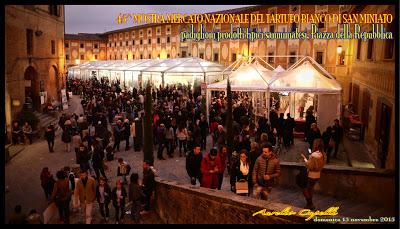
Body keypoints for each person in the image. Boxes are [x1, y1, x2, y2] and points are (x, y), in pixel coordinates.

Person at [301, 139, 325, 210]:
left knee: (304, 188)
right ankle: (310, 204)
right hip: (318, 175)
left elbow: (310, 166)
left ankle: (310, 203)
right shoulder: (323, 154)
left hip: (311, 175)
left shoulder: (314, 155)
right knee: (311, 188)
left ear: (316, 145)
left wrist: (305, 159)